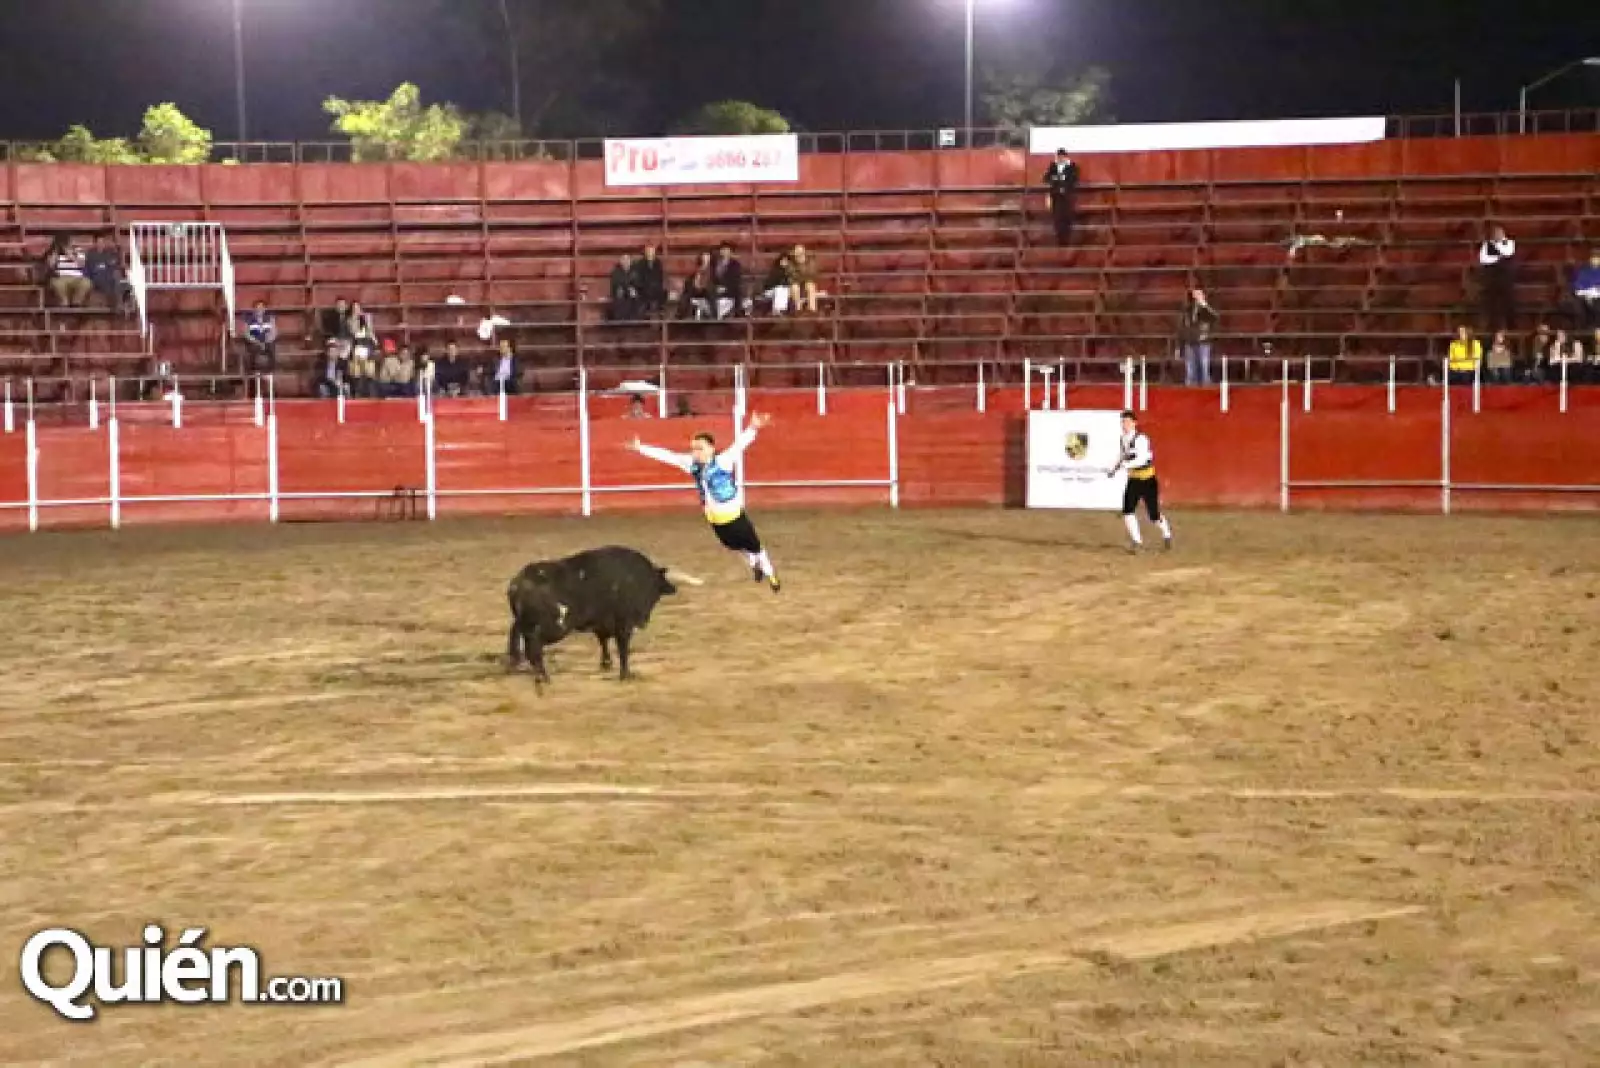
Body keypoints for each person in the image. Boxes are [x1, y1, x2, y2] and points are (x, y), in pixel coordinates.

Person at [627, 412, 781, 592]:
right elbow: (668, 456)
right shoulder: (691, 463)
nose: (696, 452)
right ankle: (755, 565)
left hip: (734, 515)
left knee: (754, 546)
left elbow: (739, 445)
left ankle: (771, 574)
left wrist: (753, 427)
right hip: (714, 519)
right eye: (693, 449)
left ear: (712, 448)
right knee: (735, 546)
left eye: (700, 448)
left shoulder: (723, 461)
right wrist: (641, 448)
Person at [1106, 410, 1173, 554]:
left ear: (1134, 423)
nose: (1125, 425)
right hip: (1134, 479)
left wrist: (1125, 465)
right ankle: (1137, 541)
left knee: (1153, 515)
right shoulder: (1123, 439)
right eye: (1123, 422)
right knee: (1127, 510)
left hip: (1148, 479)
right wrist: (1113, 468)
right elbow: (1122, 455)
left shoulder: (1141, 439)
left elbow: (1142, 459)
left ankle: (1166, 533)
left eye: (1127, 422)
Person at [1043, 148, 1080, 246]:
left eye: (1061, 156)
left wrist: (1058, 178)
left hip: (1067, 196)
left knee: (1067, 218)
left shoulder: (1072, 166)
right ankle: (1059, 239)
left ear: (1065, 157)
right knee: (1057, 218)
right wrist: (1059, 178)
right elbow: (1046, 178)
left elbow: (1074, 178)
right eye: (1058, 156)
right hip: (1056, 196)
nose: (1059, 158)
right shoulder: (1053, 166)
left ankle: (1066, 239)